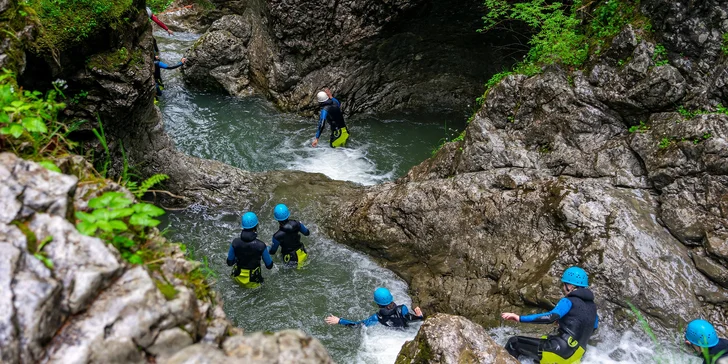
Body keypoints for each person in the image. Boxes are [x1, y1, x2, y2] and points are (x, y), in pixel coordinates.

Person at [501, 266, 598, 364]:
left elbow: (550, 317)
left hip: (559, 350)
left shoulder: (568, 301)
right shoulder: (593, 307)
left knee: (514, 342)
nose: (563, 289)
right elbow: (592, 328)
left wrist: (519, 318)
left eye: (564, 285)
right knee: (537, 354)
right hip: (575, 357)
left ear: (570, 286)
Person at [324, 287, 425, 327]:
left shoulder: (377, 317)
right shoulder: (402, 309)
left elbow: (358, 325)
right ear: (391, 298)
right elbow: (411, 319)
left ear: (377, 304)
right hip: (406, 332)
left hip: (393, 335)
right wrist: (419, 316)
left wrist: (339, 320)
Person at [226, 212, 274, 288]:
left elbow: (229, 262)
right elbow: (269, 265)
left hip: (237, 278)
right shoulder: (260, 245)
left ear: (243, 227)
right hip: (253, 282)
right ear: (256, 226)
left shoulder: (235, 242)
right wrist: (267, 248)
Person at [269, 204, 311, 268]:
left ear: (277, 219)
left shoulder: (277, 236)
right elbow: (307, 233)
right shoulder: (297, 223)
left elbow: (272, 252)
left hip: (290, 259)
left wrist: (267, 247)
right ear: (288, 214)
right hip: (302, 253)